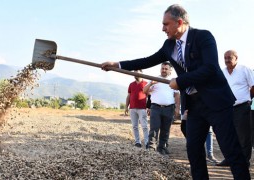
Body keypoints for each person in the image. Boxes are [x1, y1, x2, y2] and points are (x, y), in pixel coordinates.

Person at [101, 4, 250, 179]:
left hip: (216, 102)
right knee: (194, 151)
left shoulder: (203, 37)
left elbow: (210, 68)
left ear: (179, 22)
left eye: (166, 24)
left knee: (231, 150)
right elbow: (148, 60)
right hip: (194, 106)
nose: (163, 28)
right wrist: (117, 65)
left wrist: (180, 81)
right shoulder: (169, 45)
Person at [217, 50, 254, 167]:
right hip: (226, 108)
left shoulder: (244, 70)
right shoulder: (222, 72)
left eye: (229, 57)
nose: (227, 60)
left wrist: (248, 99)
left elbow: (253, 86)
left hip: (242, 107)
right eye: (225, 58)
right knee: (228, 135)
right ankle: (229, 159)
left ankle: (244, 161)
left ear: (236, 58)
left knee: (243, 135)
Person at [143, 62, 180, 155]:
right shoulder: (155, 79)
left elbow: (177, 95)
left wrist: (177, 108)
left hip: (169, 108)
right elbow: (144, 91)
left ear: (170, 70)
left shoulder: (173, 81)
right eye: (162, 68)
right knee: (154, 128)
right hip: (155, 108)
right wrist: (151, 83)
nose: (163, 70)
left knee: (165, 129)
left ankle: (162, 148)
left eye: (166, 69)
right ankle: (151, 149)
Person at [125, 70, 149, 148]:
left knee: (144, 126)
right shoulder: (131, 84)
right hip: (132, 108)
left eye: (138, 73)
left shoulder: (146, 84)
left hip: (142, 108)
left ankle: (147, 142)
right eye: (134, 73)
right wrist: (126, 106)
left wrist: (149, 107)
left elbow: (150, 97)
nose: (136, 74)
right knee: (135, 126)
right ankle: (137, 142)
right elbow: (128, 96)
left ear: (142, 73)